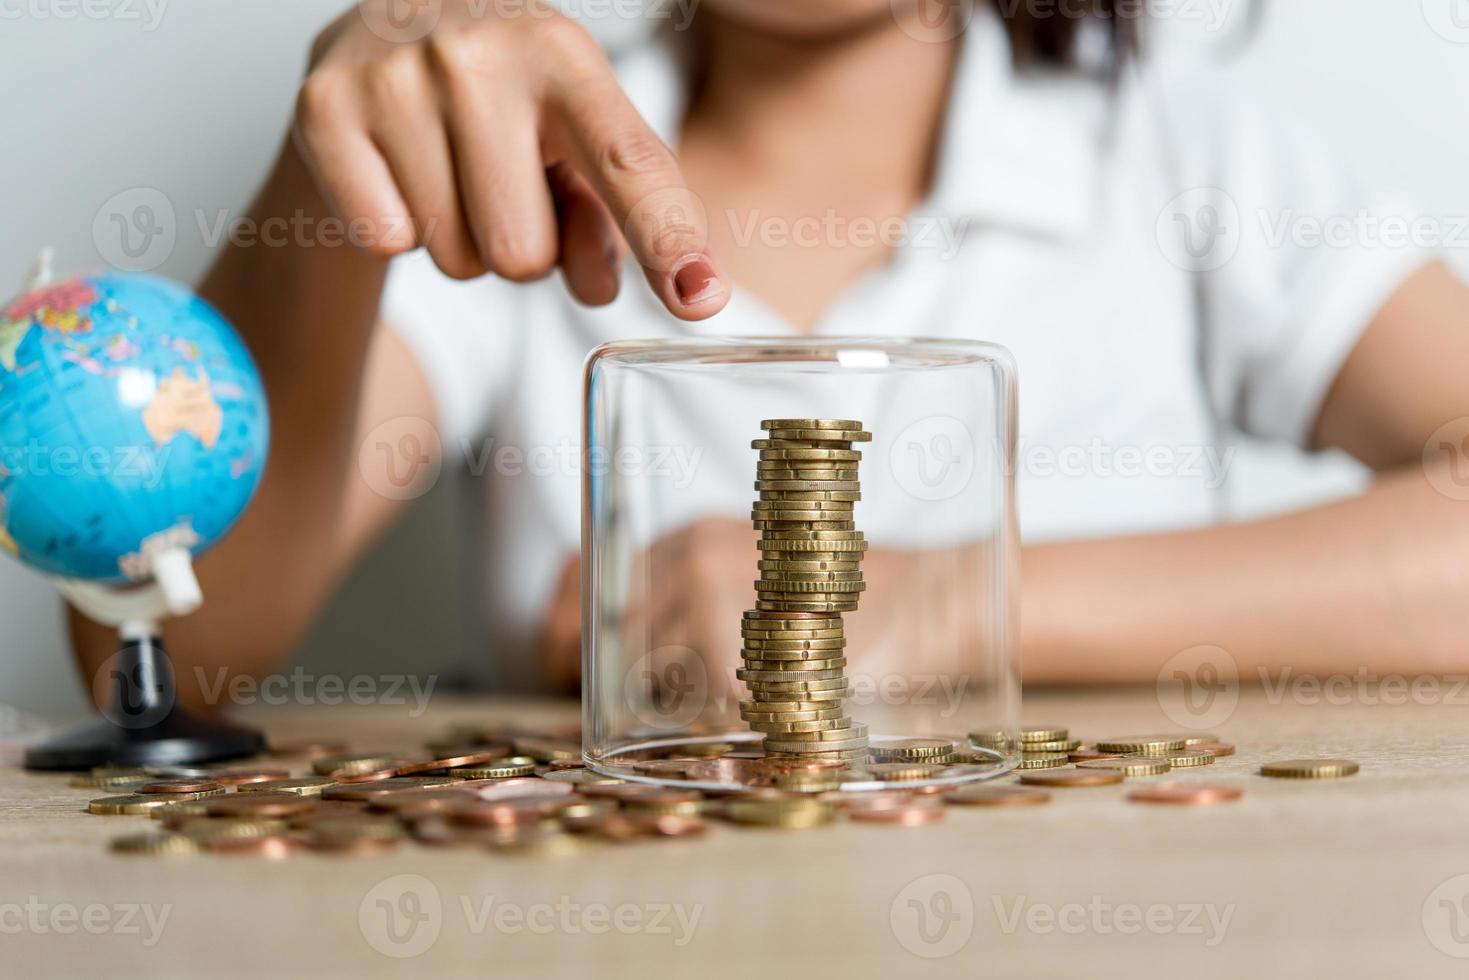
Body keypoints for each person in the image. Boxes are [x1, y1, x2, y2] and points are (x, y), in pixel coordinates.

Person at [70, 0, 1469, 708]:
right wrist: (334, 183)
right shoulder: (510, 164)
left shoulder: (1179, 149)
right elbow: (156, 644)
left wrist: (946, 608)